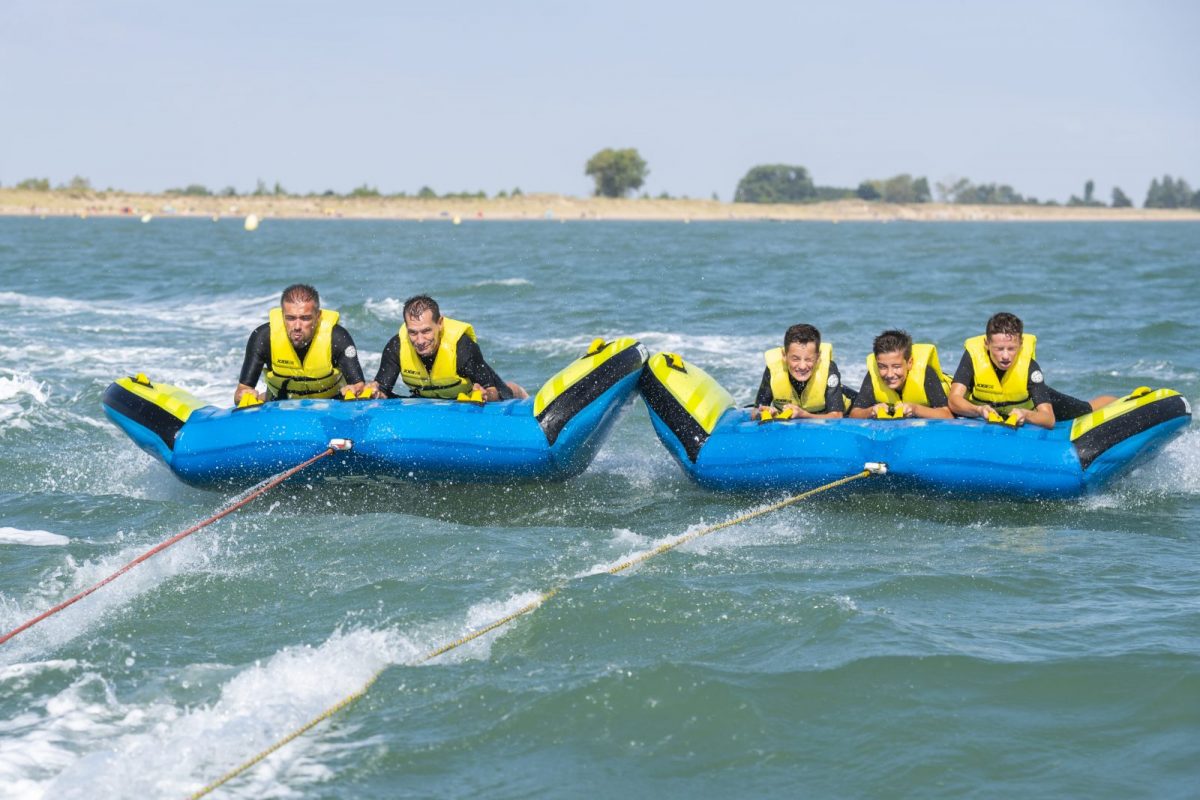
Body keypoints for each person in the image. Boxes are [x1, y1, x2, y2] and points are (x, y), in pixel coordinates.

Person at [947, 312, 1116, 429]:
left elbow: (1049, 419)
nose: (1005, 356)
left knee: (1085, 409)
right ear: (987, 344)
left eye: (1011, 348)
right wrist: (978, 410)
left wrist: (1026, 415)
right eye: (999, 349)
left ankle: (1120, 401)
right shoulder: (973, 357)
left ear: (1020, 344)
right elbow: (954, 399)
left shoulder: (1029, 367)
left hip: (1026, 402)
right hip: (986, 406)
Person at [368, 294, 527, 401]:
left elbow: (491, 391)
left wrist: (486, 395)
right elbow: (382, 389)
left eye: (426, 331)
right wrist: (375, 392)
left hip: (468, 396)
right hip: (430, 399)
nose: (420, 340)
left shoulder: (462, 348)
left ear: (440, 324)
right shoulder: (396, 347)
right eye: (413, 333)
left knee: (505, 393)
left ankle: (519, 391)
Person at [234, 284, 366, 404]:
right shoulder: (263, 338)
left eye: (305, 318)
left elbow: (358, 385)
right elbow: (241, 392)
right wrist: (244, 394)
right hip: (280, 404)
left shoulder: (336, 338)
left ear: (318, 316)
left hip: (331, 404)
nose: (297, 326)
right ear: (282, 315)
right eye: (290, 318)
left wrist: (356, 390)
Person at [753, 323, 853, 419]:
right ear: (784, 355)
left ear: (818, 357)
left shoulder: (828, 369)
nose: (802, 366)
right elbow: (756, 411)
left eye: (808, 359)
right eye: (795, 359)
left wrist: (803, 414)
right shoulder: (774, 369)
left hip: (847, 410)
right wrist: (764, 412)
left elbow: (837, 416)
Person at [849, 329, 953, 419]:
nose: (890, 374)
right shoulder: (874, 375)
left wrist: (915, 408)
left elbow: (947, 415)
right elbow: (854, 414)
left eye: (896, 367)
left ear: (909, 363)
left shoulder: (926, 373)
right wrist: (871, 410)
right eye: (883, 367)